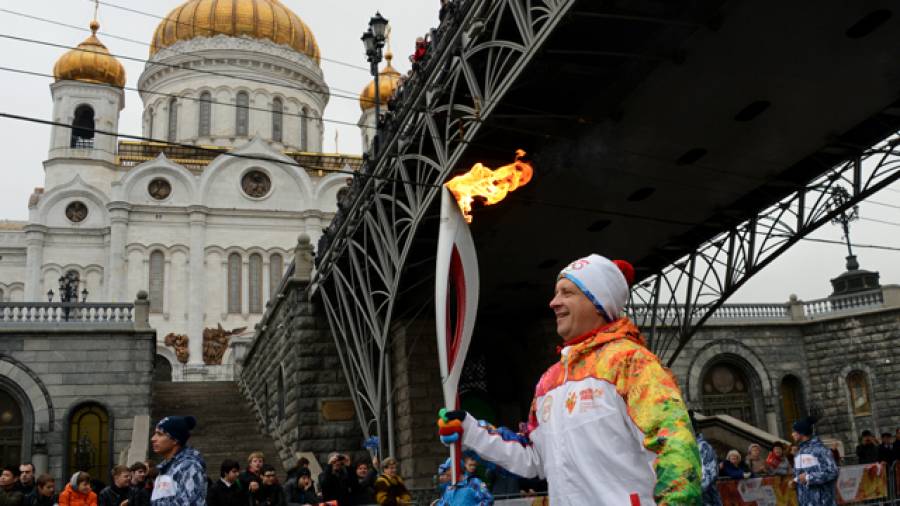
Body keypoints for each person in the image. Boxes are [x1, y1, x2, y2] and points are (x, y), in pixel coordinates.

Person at [437, 254, 701, 504]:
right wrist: (469, 430)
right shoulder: (549, 382)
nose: (554, 302)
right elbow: (534, 458)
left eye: (567, 292)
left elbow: (676, 447)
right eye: (555, 293)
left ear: (598, 302)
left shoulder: (632, 364)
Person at [150, 415, 207, 505]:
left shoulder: (188, 467)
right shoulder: (166, 468)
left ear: (175, 440)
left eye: (160, 434)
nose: (153, 439)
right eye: (155, 434)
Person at [792, 416, 838, 506]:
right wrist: (795, 481)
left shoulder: (820, 450)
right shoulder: (799, 453)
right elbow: (801, 476)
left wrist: (809, 477)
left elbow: (833, 472)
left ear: (801, 433)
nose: (792, 434)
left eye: (794, 431)